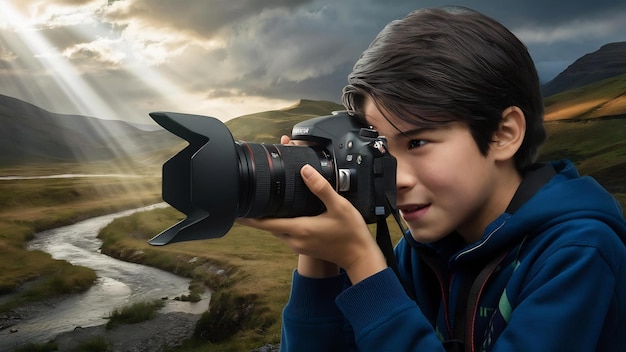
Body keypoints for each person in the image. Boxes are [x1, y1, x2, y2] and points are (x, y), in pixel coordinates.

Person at [238, 6, 626, 351]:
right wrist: (319, 259)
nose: (397, 177)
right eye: (380, 149)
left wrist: (362, 262)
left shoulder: (579, 254)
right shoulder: (422, 250)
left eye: (418, 142)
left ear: (503, 133)